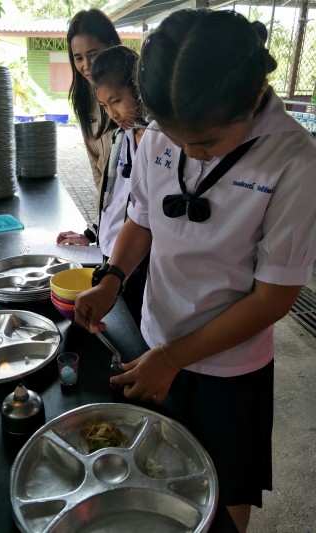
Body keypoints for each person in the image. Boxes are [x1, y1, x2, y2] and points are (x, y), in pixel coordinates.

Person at [75, 9, 316, 532]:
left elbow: (273, 298)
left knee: (225, 489)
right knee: (157, 472)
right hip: (154, 338)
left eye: (204, 144)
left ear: (254, 96)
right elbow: (142, 219)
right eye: (174, 136)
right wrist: (111, 278)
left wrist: (174, 357)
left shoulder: (294, 161)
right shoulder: (158, 134)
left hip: (230, 367)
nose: (186, 151)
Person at [57, 45, 148, 325]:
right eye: (105, 105)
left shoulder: (159, 143)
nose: (112, 113)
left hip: (139, 264)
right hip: (110, 258)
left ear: (139, 89)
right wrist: (92, 233)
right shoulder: (121, 138)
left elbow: (144, 214)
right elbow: (113, 199)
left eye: (117, 100)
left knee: (135, 329)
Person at [67, 8, 121, 192]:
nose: (86, 65)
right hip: (107, 202)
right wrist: (104, 203)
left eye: (93, 54)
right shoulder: (84, 99)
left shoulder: (136, 93)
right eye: (78, 58)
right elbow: (95, 162)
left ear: (112, 45)